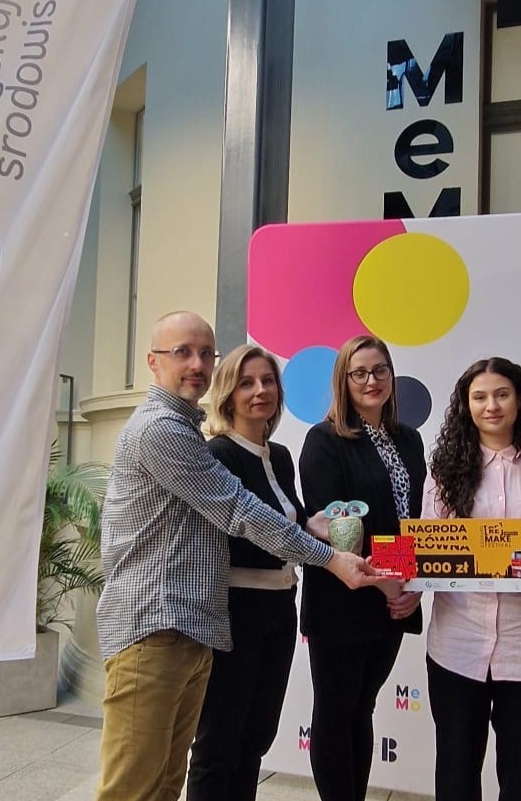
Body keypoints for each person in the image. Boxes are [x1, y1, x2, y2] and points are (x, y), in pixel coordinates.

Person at [94, 312, 384, 801]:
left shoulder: (192, 431)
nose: (196, 364)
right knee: (138, 785)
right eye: (182, 352)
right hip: (155, 625)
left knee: (167, 780)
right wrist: (330, 558)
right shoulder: (163, 431)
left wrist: (311, 529)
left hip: (190, 626)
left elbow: (257, 515)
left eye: (205, 353)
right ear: (152, 362)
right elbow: (238, 511)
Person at [423, 357, 521, 801]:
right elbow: (430, 543)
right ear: (466, 405)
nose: (491, 405)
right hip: (457, 646)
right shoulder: (444, 470)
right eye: (479, 397)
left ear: (520, 400)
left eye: (501, 394)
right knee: (455, 773)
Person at [298, 334, 426, 801]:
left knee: (362, 707)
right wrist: (388, 585)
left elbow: (411, 519)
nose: (372, 380)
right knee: (336, 712)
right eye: (360, 373)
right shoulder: (324, 440)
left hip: (394, 599)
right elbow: (339, 528)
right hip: (343, 598)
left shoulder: (409, 440)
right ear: (344, 380)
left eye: (380, 370)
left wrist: (410, 585)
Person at [186, 344, 304, 800]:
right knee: (218, 742)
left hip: (281, 608)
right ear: (228, 394)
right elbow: (252, 530)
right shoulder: (218, 454)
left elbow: (290, 523)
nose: (260, 391)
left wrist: (320, 525)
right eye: (247, 382)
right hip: (236, 611)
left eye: (268, 381)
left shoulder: (281, 456)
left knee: (256, 737)